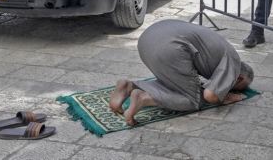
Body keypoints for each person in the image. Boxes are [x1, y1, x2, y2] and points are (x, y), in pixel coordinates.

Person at [109, 19, 255, 125]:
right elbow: (210, 95)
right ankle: (143, 98)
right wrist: (225, 98)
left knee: (174, 82)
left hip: (146, 40)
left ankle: (130, 86)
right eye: (233, 87)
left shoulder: (222, 49)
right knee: (195, 100)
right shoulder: (233, 62)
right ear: (239, 78)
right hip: (169, 49)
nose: (228, 88)